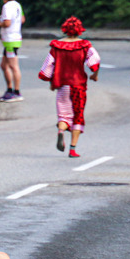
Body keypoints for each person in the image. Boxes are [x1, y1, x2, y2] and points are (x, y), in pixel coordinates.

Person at [38, 16, 100, 159]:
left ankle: (61, 131)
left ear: (65, 29)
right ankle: (72, 149)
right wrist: (94, 75)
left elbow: (48, 66)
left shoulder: (57, 46)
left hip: (63, 86)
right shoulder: (85, 45)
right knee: (78, 116)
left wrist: (51, 81)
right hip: (78, 86)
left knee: (64, 115)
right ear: (79, 30)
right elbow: (95, 61)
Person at [0, 0, 25, 102]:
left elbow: (7, 23)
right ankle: (9, 90)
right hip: (14, 38)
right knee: (4, 65)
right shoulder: (17, 5)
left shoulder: (6, 7)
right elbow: (22, 19)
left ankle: (16, 92)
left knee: (13, 66)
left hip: (10, 39)